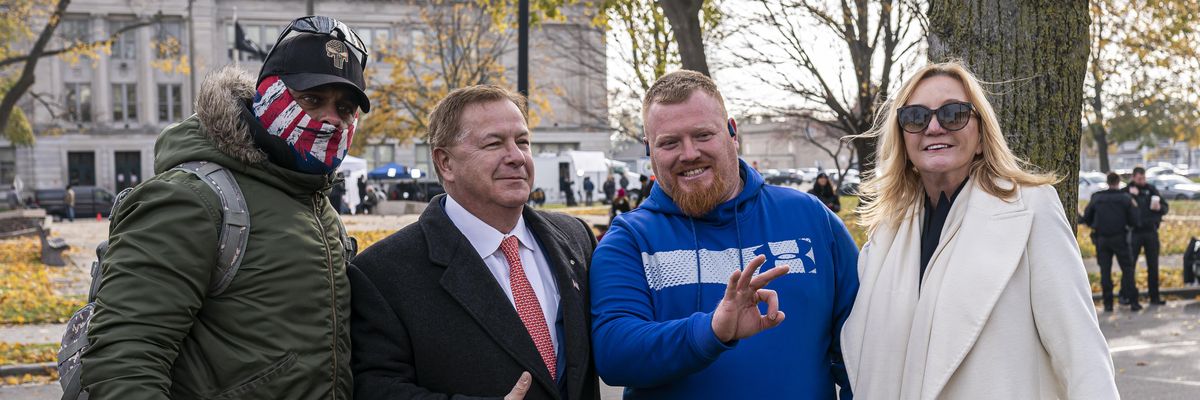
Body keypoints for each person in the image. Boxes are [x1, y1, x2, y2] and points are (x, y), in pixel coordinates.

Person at [79, 16, 370, 398]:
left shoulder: (317, 204)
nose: (331, 119)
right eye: (312, 100)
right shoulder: (193, 197)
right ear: (268, 94)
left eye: (345, 108)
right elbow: (123, 358)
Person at [842, 62, 1118, 399]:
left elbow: (1081, 352)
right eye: (915, 117)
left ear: (981, 135)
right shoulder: (888, 233)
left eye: (953, 114)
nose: (933, 127)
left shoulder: (1031, 210)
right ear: (902, 138)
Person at [590, 70, 858, 399]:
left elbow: (863, 346)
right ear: (649, 150)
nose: (689, 153)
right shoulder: (629, 240)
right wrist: (712, 330)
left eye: (703, 135)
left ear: (732, 133)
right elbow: (615, 354)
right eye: (670, 142)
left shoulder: (811, 217)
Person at [349, 85, 600, 400]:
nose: (516, 157)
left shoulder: (576, 237)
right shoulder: (382, 273)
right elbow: (376, 388)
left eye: (522, 141)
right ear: (445, 163)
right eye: (494, 144)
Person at [1083, 172, 1142, 311]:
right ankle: (1133, 301)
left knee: (1105, 271)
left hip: (1102, 239)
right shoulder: (1126, 198)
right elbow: (1135, 220)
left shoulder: (1097, 198)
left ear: (1107, 182)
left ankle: (1108, 303)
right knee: (1128, 270)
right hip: (1120, 238)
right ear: (1118, 182)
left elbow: (1087, 217)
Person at [1124, 166, 1170, 305]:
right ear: (1133, 177)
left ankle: (1154, 297)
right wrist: (1131, 195)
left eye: (1144, 178)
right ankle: (1127, 296)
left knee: (1153, 265)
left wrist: (1159, 208)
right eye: (1139, 178)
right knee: (1130, 266)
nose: (1142, 181)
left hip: (1150, 232)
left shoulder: (1151, 189)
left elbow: (1165, 207)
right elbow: (1121, 207)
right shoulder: (1127, 191)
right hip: (1135, 232)